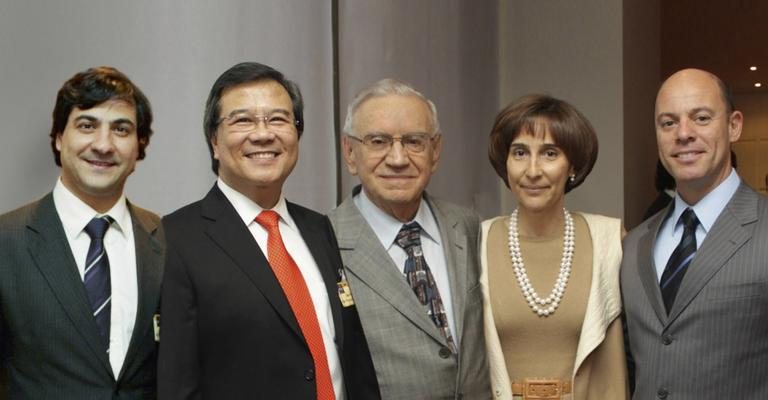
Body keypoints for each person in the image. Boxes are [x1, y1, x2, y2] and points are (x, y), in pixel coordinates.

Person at [157, 62, 380, 399]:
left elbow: (353, 361)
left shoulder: (319, 228)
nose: (263, 134)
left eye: (278, 119)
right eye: (243, 120)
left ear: (297, 133)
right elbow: (177, 382)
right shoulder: (177, 238)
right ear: (214, 141)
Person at [0, 66, 164, 399]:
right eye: (87, 125)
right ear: (59, 137)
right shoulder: (6, 241)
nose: (103, 145)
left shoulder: (167, 239)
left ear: (139, 147)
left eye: (121, 129)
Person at [327, 78, 491, 399]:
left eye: (414, 141)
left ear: (435, 151)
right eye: (378, 141)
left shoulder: (469, 226)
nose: (398, 158)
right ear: (349, 152)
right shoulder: (324, 242)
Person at [621, 68, 768, 399]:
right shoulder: (633, 246)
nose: (683, 134)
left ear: (734, 126)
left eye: (701, 118)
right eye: (668, 123)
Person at [481, 94, 628, 399]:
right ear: (505, 164)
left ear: (571, 165)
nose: (533, 170)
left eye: (550, 153)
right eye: (520, 153)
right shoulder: (477, 242)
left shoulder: (609, 239)